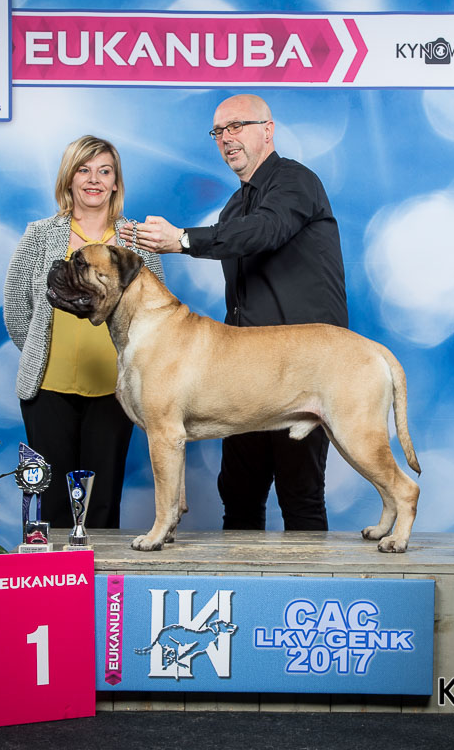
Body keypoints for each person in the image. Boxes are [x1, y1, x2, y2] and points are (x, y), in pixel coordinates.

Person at [119, 94, 348, 531]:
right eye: (219, 131)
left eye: (237, 126)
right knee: (239, 494)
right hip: (242, 373)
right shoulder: (233, 207)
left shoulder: (296, 181)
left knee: (300, 494)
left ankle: (307, 580)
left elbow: (264, 231)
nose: (226, 138)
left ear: (268, 130)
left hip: (302, 367)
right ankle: (243, 580)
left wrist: (182, 239)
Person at [4, 135, 164, 529]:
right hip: (48, 388)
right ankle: (59, 571)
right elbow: (16, 308)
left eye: (104, 171)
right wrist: (41, 352)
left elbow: (156, 315)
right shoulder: (40, 234)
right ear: (69, 179)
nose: (94, 179)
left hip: (115, 387)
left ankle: (99, 570)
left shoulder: (138, 241)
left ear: (115, 183)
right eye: (84, 170)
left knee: (103, 501)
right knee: (53, 504)